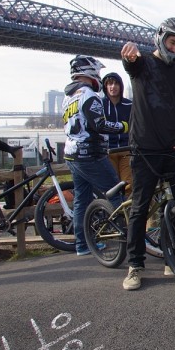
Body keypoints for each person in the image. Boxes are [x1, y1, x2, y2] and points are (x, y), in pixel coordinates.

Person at [120, 17, 175, 291]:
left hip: (173, 149)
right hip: (143, 150)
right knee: (140, 208)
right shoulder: (142, 65)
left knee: (172, 208)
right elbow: (131, 64)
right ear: (160, 38)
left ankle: (171, 259)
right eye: (172, 42)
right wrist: (128, 56)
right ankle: (135, 265)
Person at [61, 55, 127, 256]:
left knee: (82, 199)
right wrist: (124, 126)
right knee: (116, 193)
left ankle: (82, 245)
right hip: (90, 155)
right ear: (89, 73)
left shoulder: (68, 97)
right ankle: (132, 239)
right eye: (97, 73)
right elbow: (100, 125)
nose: (99, 77)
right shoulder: (89, 95)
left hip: (72, 155)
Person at [101, 72, 133, 194]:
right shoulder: (100, 104)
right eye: (109, 84)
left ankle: (129, 212)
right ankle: (113, 211)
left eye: (115, 84)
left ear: (121, 86)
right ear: (105, 87)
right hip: (108, 152)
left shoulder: (129, 104)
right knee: (111, 186)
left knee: (128, 184)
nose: (112, 87)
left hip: (126, 150)